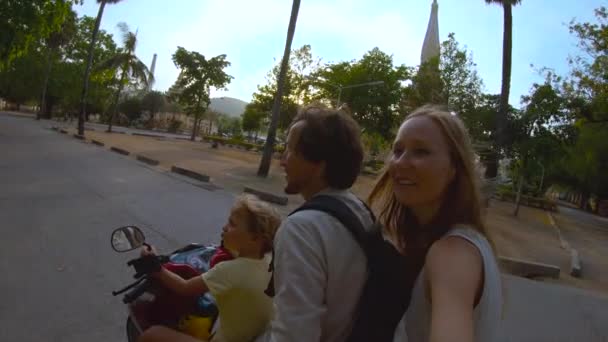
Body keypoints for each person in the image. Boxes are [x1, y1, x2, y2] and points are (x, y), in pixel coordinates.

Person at [367, 105, 503, 342]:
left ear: (453, 168)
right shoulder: (462, 241)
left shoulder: (452, 254)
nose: (401, 162)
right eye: (398, 150)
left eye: (421, 152)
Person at [257, 104, 380, 342]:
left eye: (291, 150)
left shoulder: (301, 229)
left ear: (320, 164)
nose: (283, 161)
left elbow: (294, 334)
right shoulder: (360, 210)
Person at [138, 194, 282, 342]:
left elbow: (184, 287)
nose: (225, 227)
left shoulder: (230, 270)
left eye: (232, 224)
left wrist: (155, 266)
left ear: (255, 238)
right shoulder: (268, 260)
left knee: (152, 334)